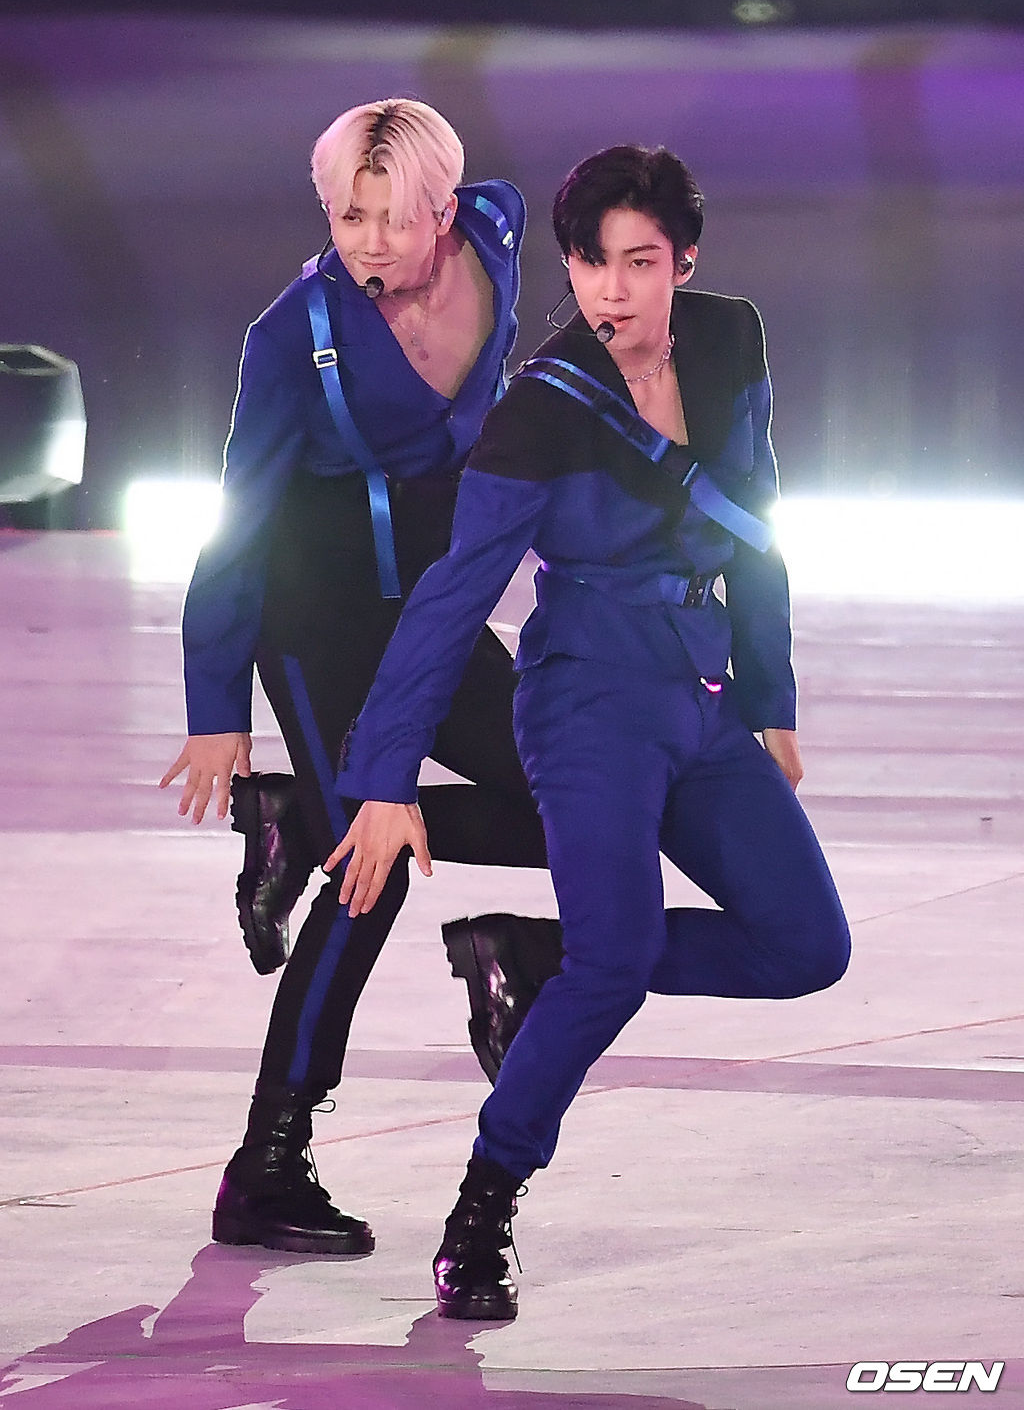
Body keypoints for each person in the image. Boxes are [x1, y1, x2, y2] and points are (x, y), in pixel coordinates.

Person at [326, 144, 852, 1319]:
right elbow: (453, 596)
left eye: (639, 262)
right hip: (585, 703)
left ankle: (528, 958)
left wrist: (768, 697)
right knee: (613, 967)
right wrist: (384, 775)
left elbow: (756, 518)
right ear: (568, 265)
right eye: (590, 263)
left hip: (698, 697)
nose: (612, 289)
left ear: (683, 262)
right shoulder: (542, 409)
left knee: (806, 947)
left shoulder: (729, 340)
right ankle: (483, 1208)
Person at [160, 99, 552, 1256]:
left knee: (578, 793)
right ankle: (266, 1166)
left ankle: (315, 826)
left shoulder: (497, 236)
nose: (368, 242)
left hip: (431, 610)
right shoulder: (294, 334)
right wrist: (214, 705)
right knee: (366, 875)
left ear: (446, 208)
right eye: (346, 217)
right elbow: (238, 515)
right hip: (315, 611)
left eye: (392, 217)